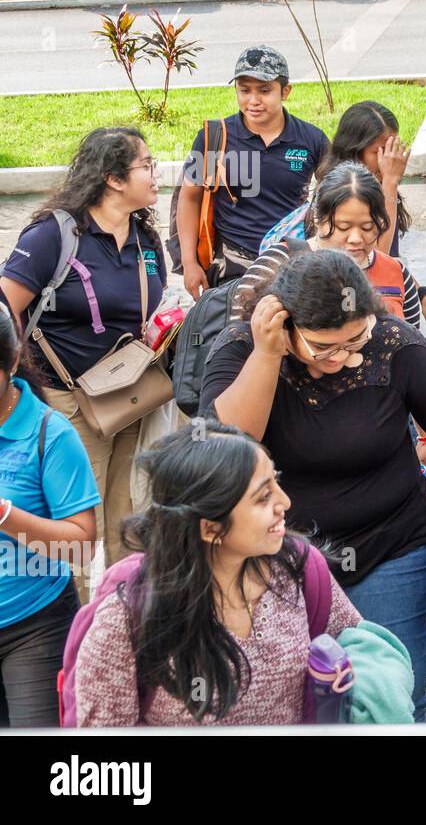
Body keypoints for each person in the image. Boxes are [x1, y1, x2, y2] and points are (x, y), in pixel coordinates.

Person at [199, 250, 426, 721]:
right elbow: (225, 447)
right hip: (274, 559)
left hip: (389, 546)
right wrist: (268, 356)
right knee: (291, 698)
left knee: (392, 694)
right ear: (285, 324)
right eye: (324, 348)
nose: (345, 357)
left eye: (355, 340)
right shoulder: (241, 348)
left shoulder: (392, 342)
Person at [73, 423, 364, 726]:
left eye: (276, 481)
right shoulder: (127, 617)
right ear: (210, 529)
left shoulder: (298, 569)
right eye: (264, 497)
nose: (285, 503)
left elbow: (360, 647)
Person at [0, 127, 165, 567]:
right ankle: (65, 625)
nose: (156, 173)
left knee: (128, 519)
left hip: (130, 396)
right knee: (75, 531)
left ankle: (122, 615)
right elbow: (6, 307)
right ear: (113, 178)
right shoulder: (53, 237)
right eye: (145, 166)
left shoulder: (145, 240)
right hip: (67, 402)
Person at [0, 304, 98, 727]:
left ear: (14, 360)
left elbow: (80, 548)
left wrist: (5, 514)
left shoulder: (50, 433)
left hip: (34, 628)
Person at [176, 46, 330, 299]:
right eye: (244, 90)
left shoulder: (311, 139)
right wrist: (189, 263)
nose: (253, 100)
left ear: (286, 91)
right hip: (231, 266)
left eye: (264, 90)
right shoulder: (214, 137)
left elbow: (334, 196)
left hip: (291, 263)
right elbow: (189, 197)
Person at [231, 163, 423, 329]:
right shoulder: (277, 263)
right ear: (317, 218)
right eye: (343, 227)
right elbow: (239, 338)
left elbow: (411, 346)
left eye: (368, 227)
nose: (356, 238)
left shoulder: (396, 273)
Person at [321, 101, 412, 259]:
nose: (390, 158)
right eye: (379, 151)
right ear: (354, 150)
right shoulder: (341, 191)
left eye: (392, 148)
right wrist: (390, 182)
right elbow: (375, 258)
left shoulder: (377, 183)